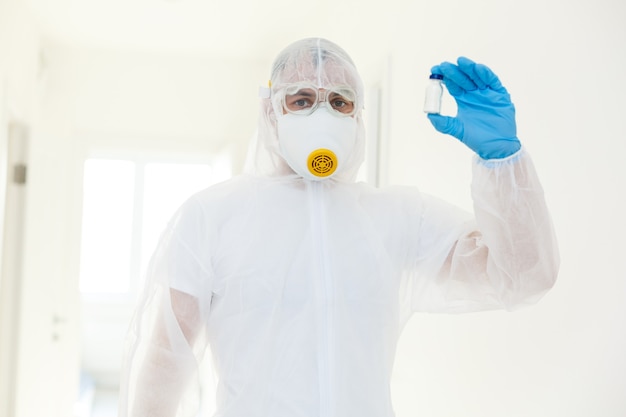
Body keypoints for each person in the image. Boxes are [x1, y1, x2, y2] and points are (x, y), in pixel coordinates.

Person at [118, 37, 559, 417]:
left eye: (339, 101)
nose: (321, 115)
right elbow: (166, 357)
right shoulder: (213, 215)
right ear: (271, 111)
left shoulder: (398, 216)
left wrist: (502, 162)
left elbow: (522, 277)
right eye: (302, 100)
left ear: (357, 116)